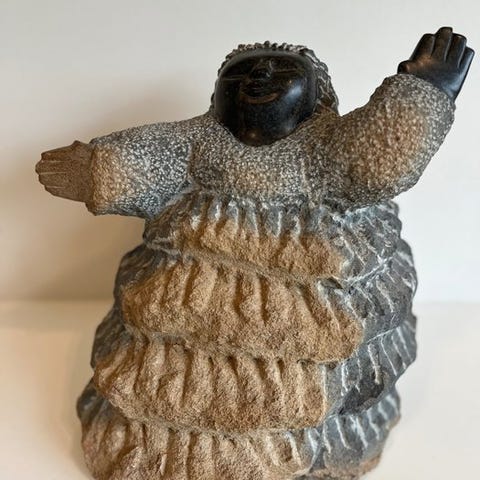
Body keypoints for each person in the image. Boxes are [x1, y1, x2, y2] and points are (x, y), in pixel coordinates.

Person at [36, 27, 473, 480]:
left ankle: (296, 452)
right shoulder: (199, 138)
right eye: (239, 72)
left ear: (316, 95)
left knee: (303, 377)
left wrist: (423, 91)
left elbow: (375, 162)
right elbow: (146, 158)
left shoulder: (325, 145)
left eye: (283, 71)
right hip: (197, 287)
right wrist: (98, 170)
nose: (258, 77)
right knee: (183, 380)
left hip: (306, 288)